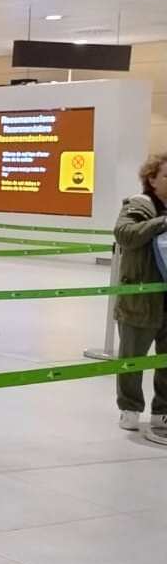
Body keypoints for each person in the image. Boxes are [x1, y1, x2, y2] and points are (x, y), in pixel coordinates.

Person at [113, 150, 167, 431]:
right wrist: (162, 223)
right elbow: (125, 234)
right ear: (152, 179)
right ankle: (130, 408)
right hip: (140, 300)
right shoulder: (139, 204)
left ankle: (163, 411)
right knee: (132, 359)